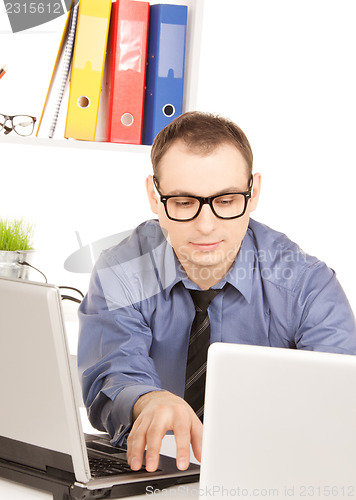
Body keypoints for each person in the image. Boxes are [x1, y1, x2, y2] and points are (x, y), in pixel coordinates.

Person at [78, 111, 356, 474]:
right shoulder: (121, 271)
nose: (206, 226)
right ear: (154, 195)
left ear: (253, 193)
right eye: (183, 203)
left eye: (226, 201)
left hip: (273, 476)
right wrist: (148, 401)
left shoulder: (307, 286)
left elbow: (338, 406)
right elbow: (112, 371)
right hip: (152, 470)